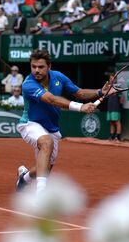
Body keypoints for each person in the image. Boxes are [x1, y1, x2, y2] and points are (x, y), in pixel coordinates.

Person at [15, 49, 110, 193]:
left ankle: (25, 178)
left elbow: (79, 93)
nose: (36, 70)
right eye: (33, 67)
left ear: (49, 66)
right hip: (30, 123)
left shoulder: (58, 77)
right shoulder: (28, 84)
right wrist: (80, 107)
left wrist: (100, 92)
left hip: (51, 127)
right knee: (47, 142)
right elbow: (51, 99)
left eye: (41, 67)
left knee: (45, 168)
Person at [106, 74, 123, 141]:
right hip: (110, 107)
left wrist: (120, 106)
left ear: (115, 79)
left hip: (116, 107)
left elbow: (121, 98)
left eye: (112, 78)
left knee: (117, 122)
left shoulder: (118, 86)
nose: (111, 80)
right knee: (111, 122)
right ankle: (112, 136)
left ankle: (118, 137)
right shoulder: (108, 86)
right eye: (110, 78)